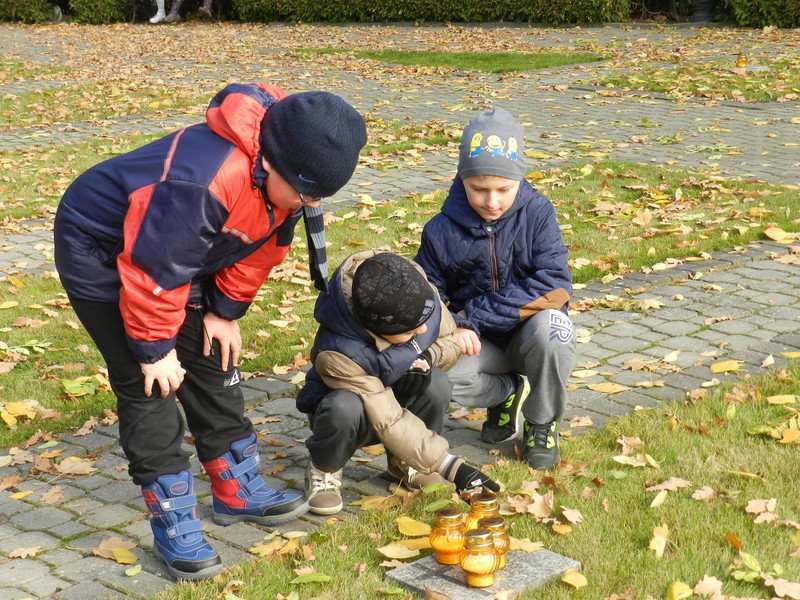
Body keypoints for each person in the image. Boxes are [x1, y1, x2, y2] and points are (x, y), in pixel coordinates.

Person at [53, 82, 367, 580]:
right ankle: (173, 516)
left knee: (211, 354)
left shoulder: (283, 183)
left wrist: (222, 311)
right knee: (148, 381)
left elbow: (263, 246)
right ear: (273, 166)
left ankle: (234, 490)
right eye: (308, 192)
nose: (311, 204)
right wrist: (154, 349)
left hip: (181, 250)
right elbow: (155, 270)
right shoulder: (203, 180)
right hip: (105, 249)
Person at [415, 106, 576, 471]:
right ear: (461, 179)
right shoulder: (440, 230)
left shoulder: (538, 214)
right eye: (479, 189)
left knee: (557, 330)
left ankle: (541, 422)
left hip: (530, 334)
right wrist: (452, 328)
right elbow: (428, 298)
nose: (492, 201)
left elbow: (555, 285)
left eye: (503, 189)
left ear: (520, 179)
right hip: (480, 343)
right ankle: (505, 392)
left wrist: (472, 316)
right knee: (429, 373)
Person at [296, 250, 500, 515]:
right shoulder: (337, 353)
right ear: (381, 331)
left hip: (393, 400)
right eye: (411, 331)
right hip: (359, 411)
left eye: (423, 323)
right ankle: (325, 469)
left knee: (436, 383)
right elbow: (387, 417)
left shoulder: (412, 289)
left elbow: (450, 339)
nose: (424, 331)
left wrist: (426, 357)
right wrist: (452, 467)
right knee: (344, 406)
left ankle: (408, 464)